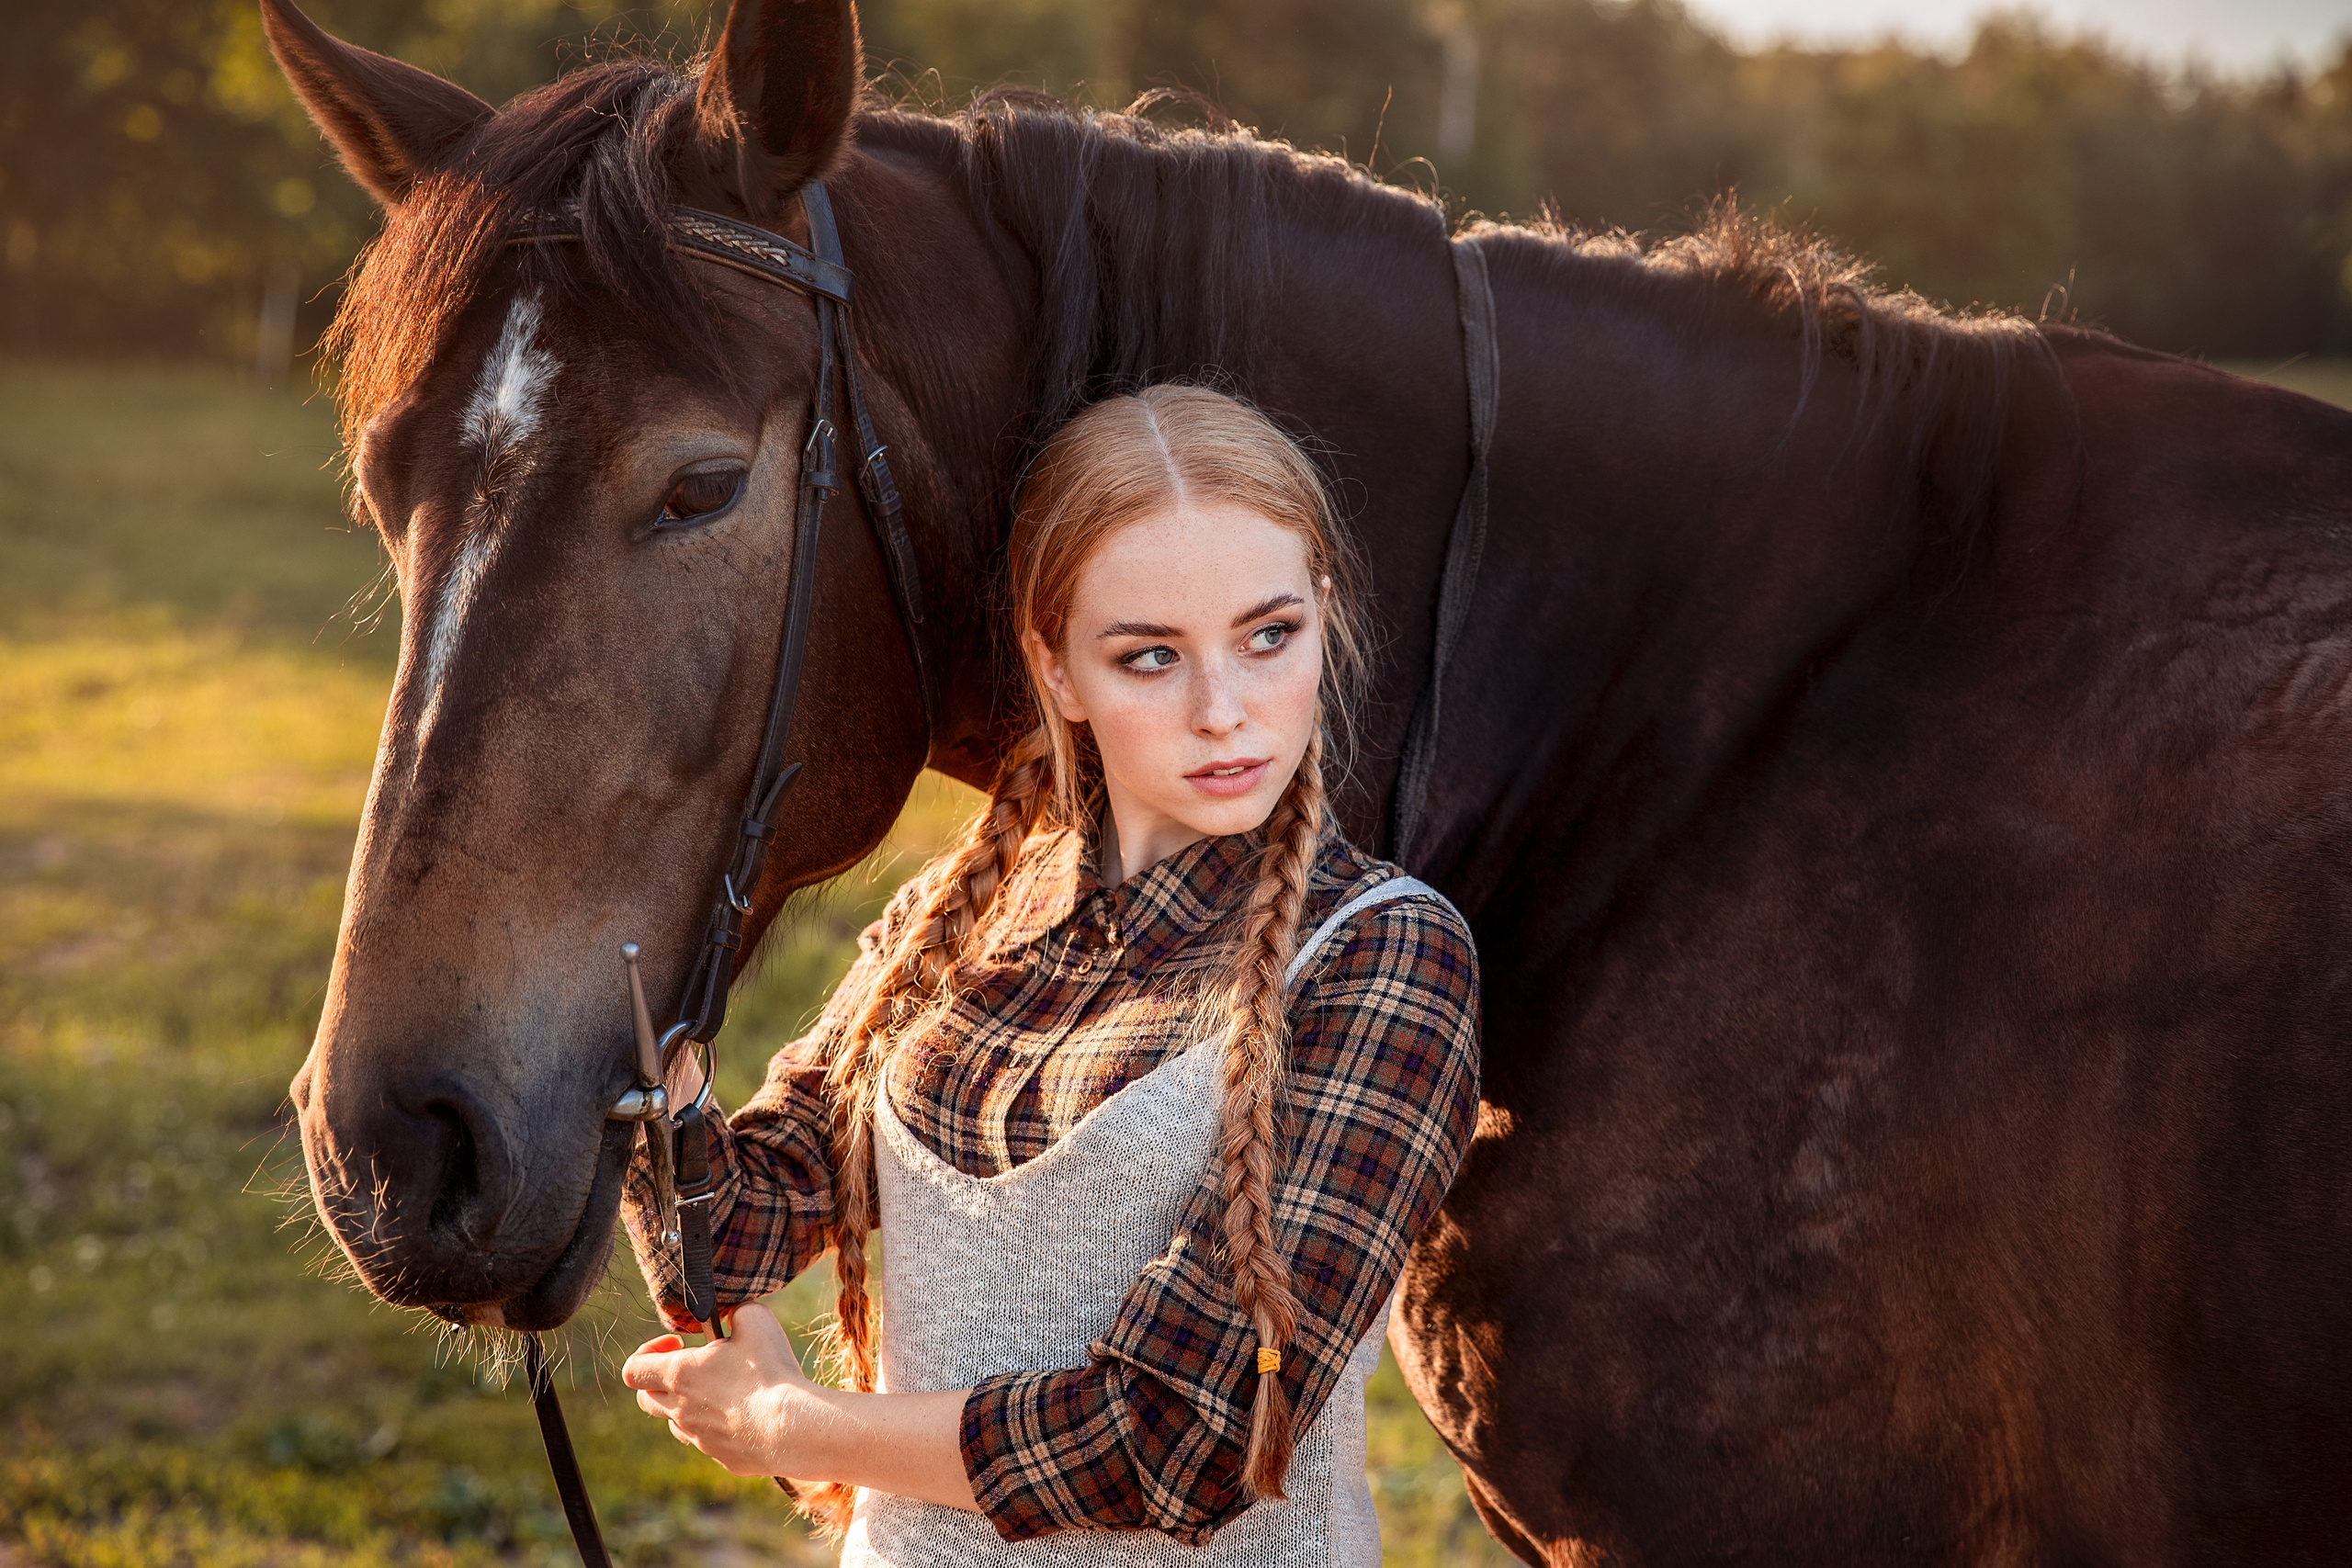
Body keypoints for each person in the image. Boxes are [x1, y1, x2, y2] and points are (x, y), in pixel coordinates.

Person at [618, 385, 1481, 1565]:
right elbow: (741, 1227)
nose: (1223, 712)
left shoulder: (1384, 955)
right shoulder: (946, 930)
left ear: (1322, 620)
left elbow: (1185, 1442)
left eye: (1267, 636)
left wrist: (791, 1422)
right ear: (1059, 671)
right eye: (1149, 658)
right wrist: (621, 990)